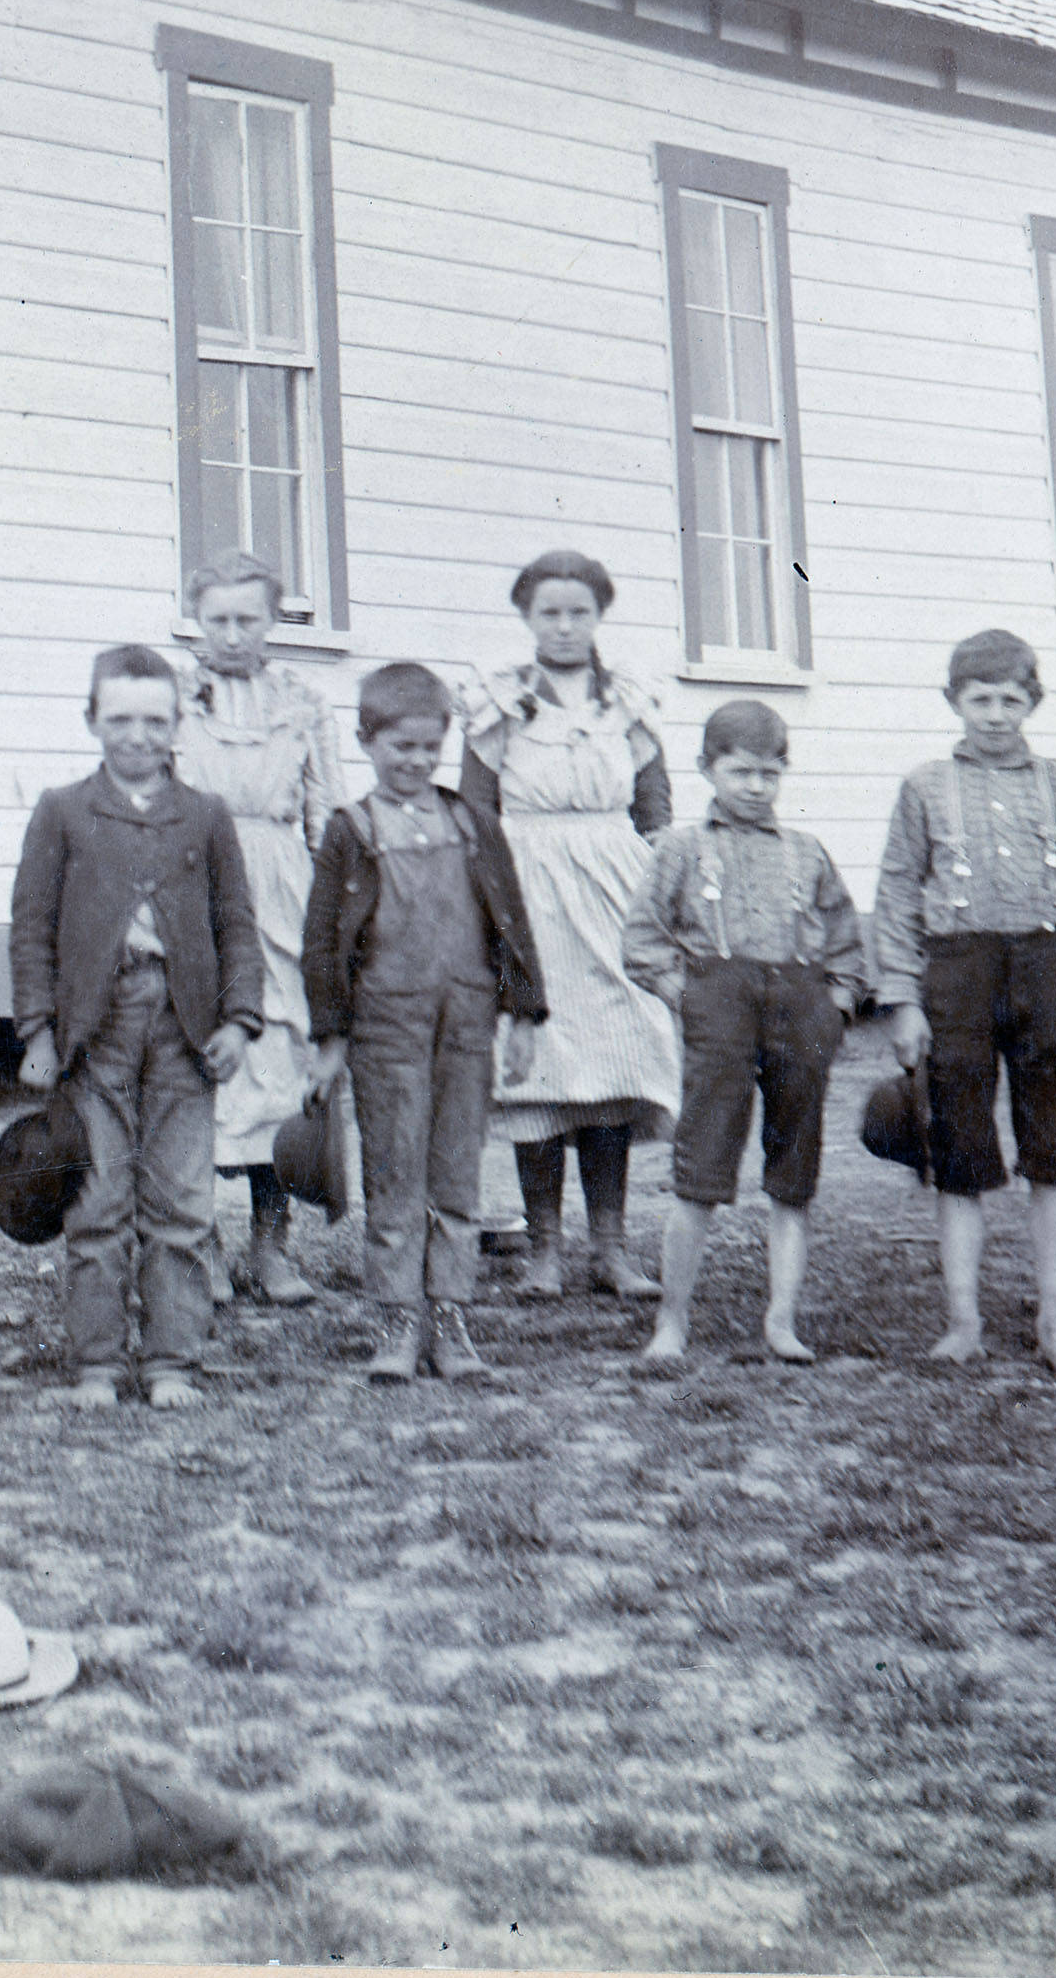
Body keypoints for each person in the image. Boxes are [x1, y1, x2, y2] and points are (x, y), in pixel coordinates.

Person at [868, 628, 1056, 1377]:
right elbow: (895, 893)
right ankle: (964, 1320)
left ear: (1033, 702)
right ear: (954, 700)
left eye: (1010, 700)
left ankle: (1054, 1323)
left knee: (1053, 1149)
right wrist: (902, 997)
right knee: (959, 1147)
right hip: (956, 972)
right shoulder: (924, 786)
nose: (994, 714)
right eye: (979, 699)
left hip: (1048, 969)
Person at [12, 643, 267, 1409]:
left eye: (155, 720)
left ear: (177, 725)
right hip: (96, 1027)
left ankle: (171, 1364)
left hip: (186, 1028)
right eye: (119, 718)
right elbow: (31, 927)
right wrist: (36, 1030)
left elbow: (236, 923)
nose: (137, 735)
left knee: (182, 1201)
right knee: (95, 1200)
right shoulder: (61, 809)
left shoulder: (207, 814)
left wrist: (241, 1018)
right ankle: (96, 1363)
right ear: (91, 719)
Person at [294, 664, 544, 1382]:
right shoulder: (351, 829)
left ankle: (451, 1318)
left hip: (466, 1018)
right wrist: (331, 1038)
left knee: (458, 1170)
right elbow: (322, 943)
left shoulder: (471, 822)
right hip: (385, 1026)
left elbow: (512, 924)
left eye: (429, 746)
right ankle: (397, 1320)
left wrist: (524, 1017)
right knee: (395, 1169)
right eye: (399, 745)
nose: (415, 760)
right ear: (367, 740)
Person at [455, 551, 681, 1298]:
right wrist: (488, 899)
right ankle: (545, 1246)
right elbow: (475, 809)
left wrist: (658, 892)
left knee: (613, 1063)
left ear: (598, 617)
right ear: (527, 618)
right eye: (548, 611)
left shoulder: (628, 702)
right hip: (529, 885)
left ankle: (611, 1246)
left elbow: (654, 807)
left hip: (615, 885)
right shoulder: (499, 703)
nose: (563, 625)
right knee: (544, 1071)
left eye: (577, 611)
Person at [625, 700, 868, 1367]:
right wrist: (686, 993)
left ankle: (781, 1320)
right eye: (739, 772)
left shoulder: (806, 851)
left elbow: (845, 941)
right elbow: (643, 936)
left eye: (768, 773)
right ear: (708, 769)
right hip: (719, 1008)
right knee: (699, 1167)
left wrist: (836, 1006)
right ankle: (671, 1321)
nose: (754, 786)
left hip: (798, 1006)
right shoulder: (681, 846)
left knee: (793, 1171)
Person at [176, 552, 354, 1307]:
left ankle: (271, 1247)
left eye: (248, 618)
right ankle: (201, 1249)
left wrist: (335, 912)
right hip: (197, 882)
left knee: (278, 1065)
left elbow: (327, 811)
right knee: (199, 1067)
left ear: (272, 620)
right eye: (217, 619)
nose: (232, 633)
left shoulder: (303, 702)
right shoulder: (177, 697)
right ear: (198, 622)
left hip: (281, 888)